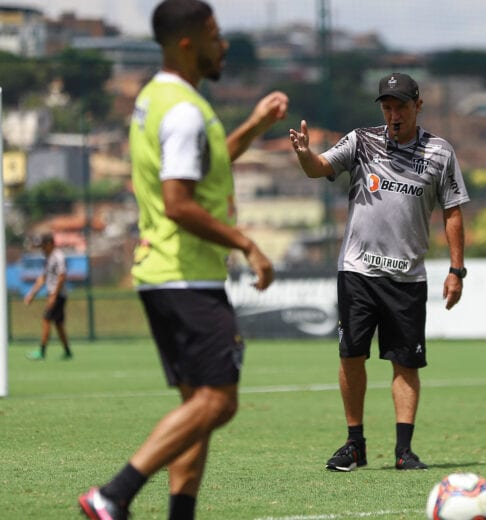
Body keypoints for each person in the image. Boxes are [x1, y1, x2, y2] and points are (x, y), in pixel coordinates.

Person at [78, 1, 288, 518]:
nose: (225, 45)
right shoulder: (184, 111)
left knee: (197, 408)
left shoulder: (158, 97)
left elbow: (203, 163)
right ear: (188, 44)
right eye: (216, 36)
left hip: (165, 274)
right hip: (185, 275)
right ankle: (114, 494)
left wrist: (255, 125)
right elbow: (179, 203)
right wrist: (246, 243)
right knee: (219, 402)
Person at [289, 72, 469, 471]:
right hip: (358, 271)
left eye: (400, 106)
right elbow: (318, 167)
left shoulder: (440, 153)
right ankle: (355, 444)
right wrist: (304, 154)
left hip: (407, 277)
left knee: (405, 363)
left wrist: (457, 269)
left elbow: (452, 211)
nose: (393, 114)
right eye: (387, 107)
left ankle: (404, 451)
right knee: (351, 355)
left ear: (418, 106)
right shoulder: (361, 141)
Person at [24, 232, 73, 361]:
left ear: (50, 244)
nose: (41, 249)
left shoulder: (58, 256)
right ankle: (67, 351)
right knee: (58, 324)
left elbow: (62, 276)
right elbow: (43, 278)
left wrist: (53, 295)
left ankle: (42, 351)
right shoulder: (49, 258)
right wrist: (32, 294)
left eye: (43, 246)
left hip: (58, 295)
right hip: (54, 295)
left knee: (46, 320)